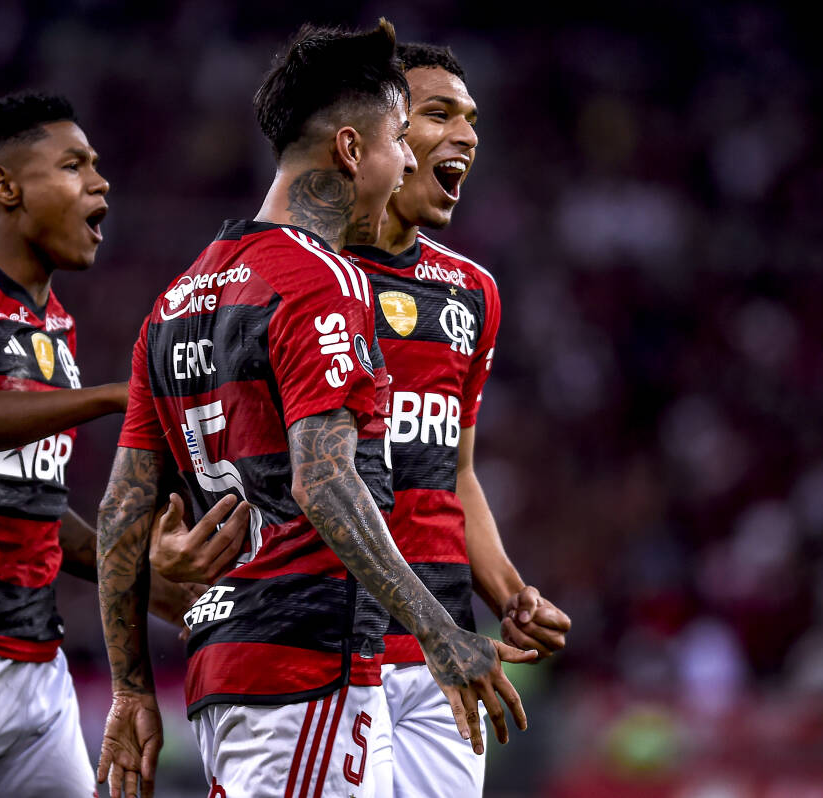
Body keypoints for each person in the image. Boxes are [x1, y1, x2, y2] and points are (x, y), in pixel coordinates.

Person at [97, 20, 537, 798]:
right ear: (349, 150)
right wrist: (441, 633)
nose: (406, 159)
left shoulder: (174, 299)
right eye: (400, 138)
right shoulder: (321, 280)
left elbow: (121, 513)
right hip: (307, 668)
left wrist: (132, 689)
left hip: (229, 669)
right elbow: (325, 484)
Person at [0, 91, 242, 798]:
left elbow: (31, 511)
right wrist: (119, 396)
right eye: (73, 165)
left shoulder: (54, 326)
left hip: (36, 662)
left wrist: (149, 584)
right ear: (6, 187)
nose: (101, 181)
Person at [341, 43, 572, 797]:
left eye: (472, 119)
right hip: (335, 641)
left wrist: (509, 594)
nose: (466, 135)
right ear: (373, 134)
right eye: (438, 113)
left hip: (447, 649)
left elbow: (454, 472)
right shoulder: (303, 279)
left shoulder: (471, 292)